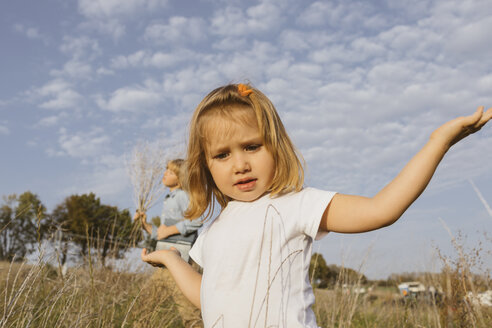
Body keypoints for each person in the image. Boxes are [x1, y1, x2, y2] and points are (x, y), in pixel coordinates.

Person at [141, 83, 492, 327]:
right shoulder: (213, 232)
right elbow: (209, 297)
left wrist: (438, 143)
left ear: (276, 147)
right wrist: (172, 259)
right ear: (205, 165)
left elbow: (382, 209)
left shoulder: (295, 205)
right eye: (222, 154)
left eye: (252, 146)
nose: (240, 164)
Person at [134, 158, 202, 262]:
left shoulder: (182, 195)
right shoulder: (168, 199)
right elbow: (161, 234)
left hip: (179, 254)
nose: (165, 173)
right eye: (166, 170)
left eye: (170, 172)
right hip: (167, 250)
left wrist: (169, 231)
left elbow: (197, 220)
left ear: (180, 179)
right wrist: (144, 224)